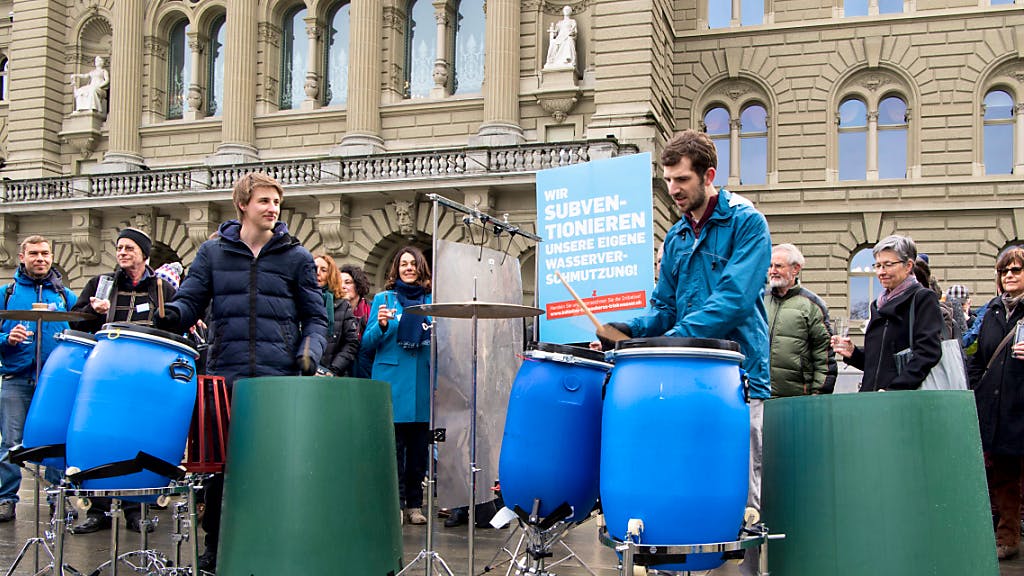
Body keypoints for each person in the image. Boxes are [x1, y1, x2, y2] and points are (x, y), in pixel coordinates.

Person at [597, 129, 771, 572]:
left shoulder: (747, 223)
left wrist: (675, 337)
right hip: (680, 379)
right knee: (682, 483)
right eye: (668, 180)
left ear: (708, 175)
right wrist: (629, 327)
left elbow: (732, 298)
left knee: (741, 504)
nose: (672, 190)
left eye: (681, 181)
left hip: (736, 380)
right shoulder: (675, 237)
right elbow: (663, 306)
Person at [155, 172, 327, 571]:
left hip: (276, 382)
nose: (272, 209)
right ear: (243, 205)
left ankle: (277, 541)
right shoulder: (212, 254)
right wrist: (169, 316)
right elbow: (190, 304)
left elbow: (317, 319)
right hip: (223, 377)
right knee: (219, 471)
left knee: (275, 466)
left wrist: (309, 353)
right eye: (265, 201)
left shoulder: (297, 257)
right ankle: (216, 546)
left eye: (276, 203)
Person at [68, 227, 176, 534]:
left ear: (144, 254)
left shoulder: (161, 288)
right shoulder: (100, 284)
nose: (123, 253)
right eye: (119, 248)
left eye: (129, 248)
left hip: (145, 376)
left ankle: (135, 509)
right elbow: (75, 321)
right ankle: (97, 510)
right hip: (104, 374)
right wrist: (92, 310)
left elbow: (176, 326)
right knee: (101, 437)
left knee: (137, 440)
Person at [0, 236, 77, 522]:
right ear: (22, 257)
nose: (40, 258)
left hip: (54, 381)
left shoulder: (65, 295)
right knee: (11, 444)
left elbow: (81, 332)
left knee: (55, 441)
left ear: (52, 257)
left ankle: (58, 499)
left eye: (45, 253)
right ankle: (6, 499)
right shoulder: (6, 294)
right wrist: (7, 338)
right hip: (16, 378)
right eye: (34, 253)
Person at [360, 246, 433, 526]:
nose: (409, 268)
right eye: (403, 264)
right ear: (396, 268)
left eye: (413, 263)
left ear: (421, 268)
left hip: (422, 383)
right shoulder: (383, 299)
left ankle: (415, 505)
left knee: (417, 453)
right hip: (391, 384)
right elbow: (366, 345)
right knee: (393, 450)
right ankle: (395, 504)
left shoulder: (431, 301)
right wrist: (379, 325)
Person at [967, 246, 1024, 560]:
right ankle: (1007, 537)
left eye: (1016, 270)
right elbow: (977, 354)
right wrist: (976, 384)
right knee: (1003, 475)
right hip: (998, 407)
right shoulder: (991, 312)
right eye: (1005, 271)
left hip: (1021, 402)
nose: (1010, 276)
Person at [832, 235, 942, 392]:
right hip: (873, 398)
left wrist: (895, 390)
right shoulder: (878, 304)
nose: (881, 272)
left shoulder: (922, 299)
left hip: (902, 401)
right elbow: (879, 365)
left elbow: (928, 353)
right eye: (877, 265)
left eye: (888, 265)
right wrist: (853, 353)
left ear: (908, 265)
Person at [765, 243, 837, 396]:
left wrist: (819, 395)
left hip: (796, 398)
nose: (772, 271)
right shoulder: (759, 300)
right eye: (770, 266)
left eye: (778, 266)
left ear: (795, 269)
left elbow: (823, 356)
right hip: (759, 394)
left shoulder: (813, 305)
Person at [313, 252, 360, 376]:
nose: (318, 272)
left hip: (330, 376)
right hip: (301, 374)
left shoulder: (343, 305)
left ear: (330, 275)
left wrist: (333, 370)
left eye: (323, 270)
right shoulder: (298, 300)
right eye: (314, 268)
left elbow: (351, 343)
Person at [340, 263, 374, 378]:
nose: (342, 286)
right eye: (339, 282)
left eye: (347, 282)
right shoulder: (333, 312)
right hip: (343, 373)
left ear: (358, 285)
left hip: (368, 373)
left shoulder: (372, 310)